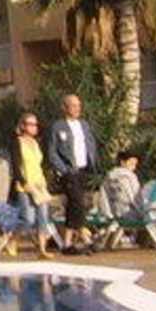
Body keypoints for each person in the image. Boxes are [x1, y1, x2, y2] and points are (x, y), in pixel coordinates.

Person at [46, 93, 102, 254]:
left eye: (79, 105)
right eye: (73, 105)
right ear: (65, 108)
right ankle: (84, 238)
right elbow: (52, 152)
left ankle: (68, 242)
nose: (77, 109)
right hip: (69, 171)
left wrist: (93, 163)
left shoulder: (84, 125)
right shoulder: (58, 127)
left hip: (83, 170)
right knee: (78, 202)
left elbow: (90, 145)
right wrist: (63, 169)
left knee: (75, 204)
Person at [6, 112, 58, 256]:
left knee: (43, 217)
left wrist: (44, 182)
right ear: (23, 126)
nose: (34, 127)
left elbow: (39, 165)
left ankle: (42, 249)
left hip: (39, 184)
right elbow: (16, 166)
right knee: (27, 218)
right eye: (31, 124)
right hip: (24, 185)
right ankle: (13, 240)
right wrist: (23, 182)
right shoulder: (17, 142)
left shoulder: (36, 143)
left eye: (36, 125)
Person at [103, 150, 142, 222]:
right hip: (129, 214)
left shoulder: (109, 176)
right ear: (123, 162)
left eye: (135, 165)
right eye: (131, 163)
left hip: (113, 214)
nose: (134, 167)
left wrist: (108, 215)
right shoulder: (130, 177)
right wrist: (141, 213)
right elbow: (134, 197)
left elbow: (103, 196)